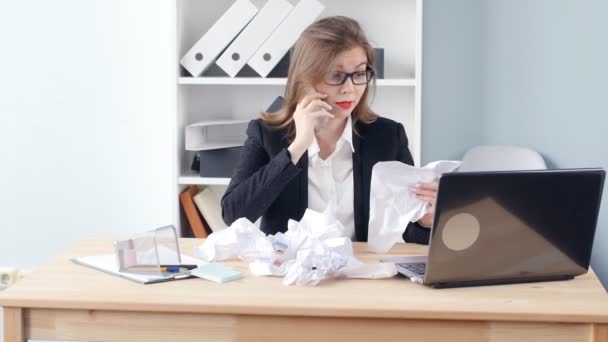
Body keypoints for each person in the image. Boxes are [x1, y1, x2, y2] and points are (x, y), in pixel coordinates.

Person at [221, 16, 436, 244]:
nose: (349, 89)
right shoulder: (267, 133)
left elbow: (406, 234)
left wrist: (426, 220)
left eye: (360, 73)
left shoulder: (387, 136)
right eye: (336, 75)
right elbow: (234, 215)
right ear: (305, 78)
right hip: (291, 272)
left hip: (362, 272)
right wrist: (297, 147)